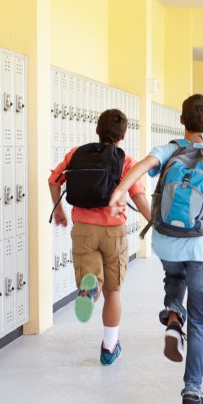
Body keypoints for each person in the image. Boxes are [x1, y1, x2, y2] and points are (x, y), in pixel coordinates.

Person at [109, 94, 203, 404]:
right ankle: (192, 391)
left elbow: (142, 166)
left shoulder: (169, 150)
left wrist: (119, 192)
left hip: (165, 241)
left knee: (174, 274)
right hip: (200, 247)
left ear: (181, 121)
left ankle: (172, 314)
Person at [48, 108, 150, 366]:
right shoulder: (126, 160)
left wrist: (59, 210)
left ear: (96, 130)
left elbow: (53, 181)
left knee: (91, 283)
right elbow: (138, 197)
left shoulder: (75, 154)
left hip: (83, 228)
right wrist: (156, 222)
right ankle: (109, 347)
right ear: (123, 135)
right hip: (113, 231)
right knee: (113, 291)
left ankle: (88, 290)